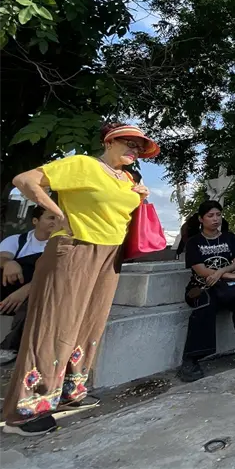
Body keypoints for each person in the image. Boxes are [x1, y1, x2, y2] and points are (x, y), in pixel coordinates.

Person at [2, 123, 159, 436]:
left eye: (139, 147)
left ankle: (70, 392)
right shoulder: (84, 165)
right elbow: (25, 180)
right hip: (74, 249)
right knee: (54, 324)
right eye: (129, 143)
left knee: (90, 322)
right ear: (110, 141)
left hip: (109, 255)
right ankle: (26, 410)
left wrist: (140, 195)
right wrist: (55, 212)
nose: (134, 150)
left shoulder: (127, 178)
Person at [178, 200, 235, 382]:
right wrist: (231, 275)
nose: (215, 219)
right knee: (205, 304)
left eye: (218, 215)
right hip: (202, 286)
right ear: (201, 219)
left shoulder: (229, 238)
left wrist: (222, 273)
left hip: (227, 287)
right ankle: (191, 359)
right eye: (210, 215)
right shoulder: (194, 242)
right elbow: (201, 271)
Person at [0, 207, 61, 364]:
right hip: (9, 294)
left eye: (57, 218)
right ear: (35, 221)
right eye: (50, 218)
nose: (55, 222)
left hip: (35, 296)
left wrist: (26, 290)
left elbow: (56, 275)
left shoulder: (60, 245)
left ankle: (9, 345)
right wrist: (9, 263)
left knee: (44, 289)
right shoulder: (17, 240)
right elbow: (3, 257)